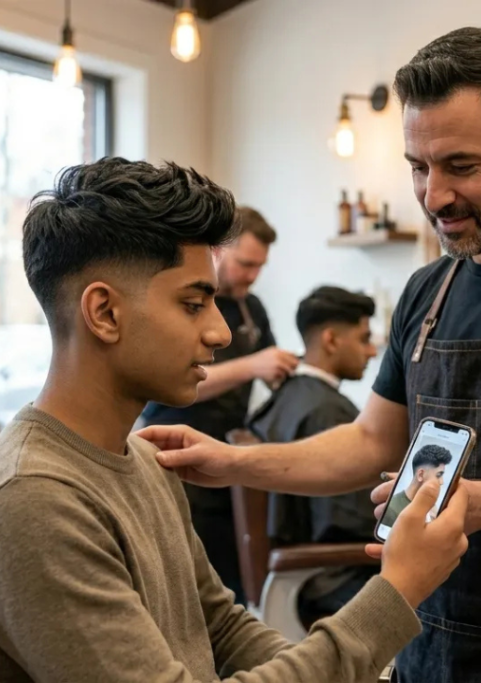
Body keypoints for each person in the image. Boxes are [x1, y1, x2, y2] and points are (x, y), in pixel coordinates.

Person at [138, 27, 481, 683]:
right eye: (418, 166)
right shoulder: (427, 290)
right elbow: (369, 442)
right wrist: (231, 462)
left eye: (461, 166)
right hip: (428, 647)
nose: (434, 195)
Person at [0, 157, 469, 682]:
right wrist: (393, 593)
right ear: (104, 313)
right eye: (194, 304)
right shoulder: (32, 500)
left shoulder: (146, 461)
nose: (220, 333)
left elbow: (221, 629)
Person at [139, 205, 298, 600]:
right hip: (175, 452)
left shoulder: (252, 307)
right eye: (245, 263)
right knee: (184, 586)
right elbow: (176, 379)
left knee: (231, 587)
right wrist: (252, 365)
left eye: (260, 266)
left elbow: (268, 364)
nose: (252, 275)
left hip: (226, 457)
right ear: (218, 252)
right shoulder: (186, 302)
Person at [247, 286, 379, 624]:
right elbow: (347, 524)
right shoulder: (328, 413)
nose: (372, 351)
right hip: (327, 578)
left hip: (295, 576)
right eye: (364, 339)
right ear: (331, 340)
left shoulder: (284, 398)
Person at [379, 445, 452, 528]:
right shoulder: (392, 510)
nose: (441, 482)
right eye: (438, 475)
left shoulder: (431, 509)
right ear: (420, 474)